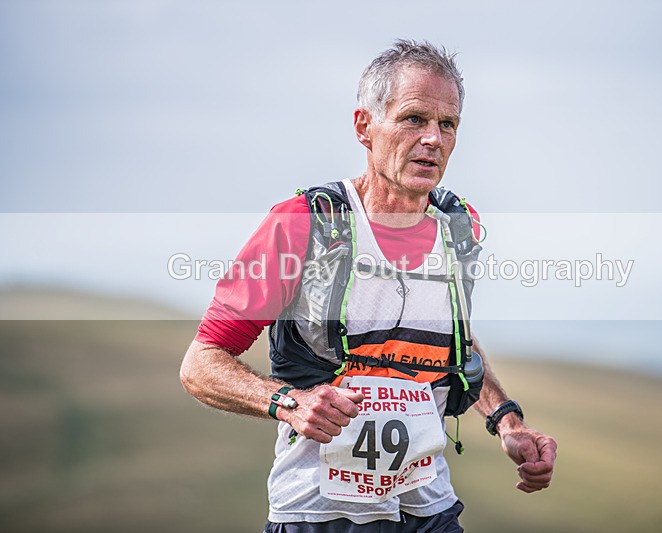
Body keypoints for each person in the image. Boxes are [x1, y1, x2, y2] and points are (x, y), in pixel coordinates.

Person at [180, 39, 557, 532]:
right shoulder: (303, 225)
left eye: (448, 124)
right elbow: (200, 365)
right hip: (317, 512)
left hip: (429, 511)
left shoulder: (458, 228)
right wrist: (289, 403)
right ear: (364, 126)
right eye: (414, 119)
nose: (433, 139)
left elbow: (451, 343)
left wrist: (508, 422)